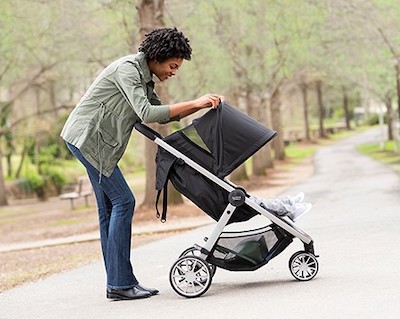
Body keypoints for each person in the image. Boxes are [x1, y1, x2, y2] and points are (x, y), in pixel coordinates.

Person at [60, 27, 223, 301]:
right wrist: (196, 101)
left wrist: (199, 107)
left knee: (110, 208)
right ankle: (120, 283)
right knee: (124, 201)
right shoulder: (127, 70)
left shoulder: (144, 77)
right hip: (87, 140)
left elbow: (162, 116)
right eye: (173, 65)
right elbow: (146, 112)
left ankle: (118, 282)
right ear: (159, 57)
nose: (174, 72)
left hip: (94, 143)